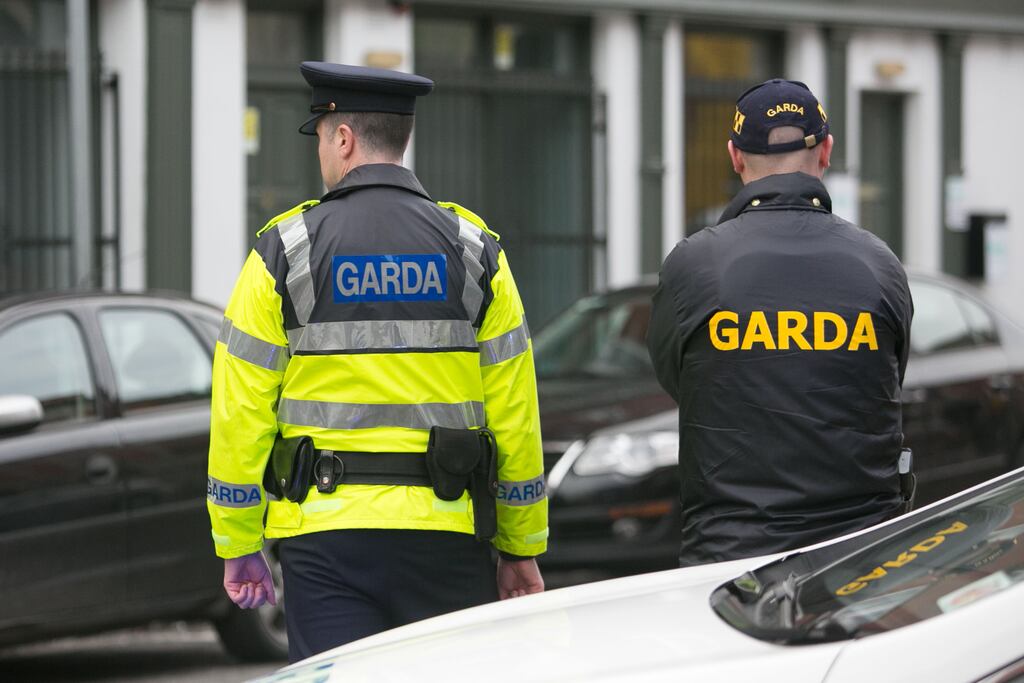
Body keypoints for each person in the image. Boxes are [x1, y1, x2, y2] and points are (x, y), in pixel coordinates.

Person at [206, 62, 547, 662]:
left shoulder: (285, 251)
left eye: (319, 138)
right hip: (447, 533)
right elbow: (515, 409)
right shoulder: (475, 251)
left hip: (326, 538)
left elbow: (241, 407)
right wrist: (521, 547)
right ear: (403, 138)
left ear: (343, 137)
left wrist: (237, 538)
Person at [646, 78, 913, 567]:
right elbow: (889, 376)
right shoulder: (878, 263)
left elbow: (678, 377)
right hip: (861, 556)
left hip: (731, 559)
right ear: (827, 150)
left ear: (734, 155)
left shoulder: (693, 264)